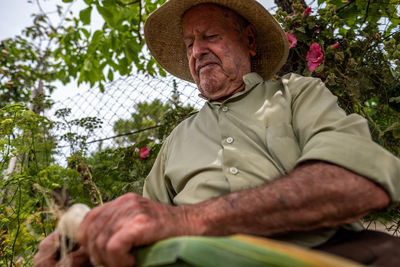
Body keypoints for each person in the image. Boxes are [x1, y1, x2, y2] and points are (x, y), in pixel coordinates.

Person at [34, 0, 400, 266]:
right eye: (189, 44)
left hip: (321, 251)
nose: (197, 50)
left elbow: (354, 181)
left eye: (210, 35)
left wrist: (189, 220)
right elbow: (142, 223)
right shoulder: (179, 138)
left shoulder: (296, 94)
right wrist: (84, 241)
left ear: (250, 42)